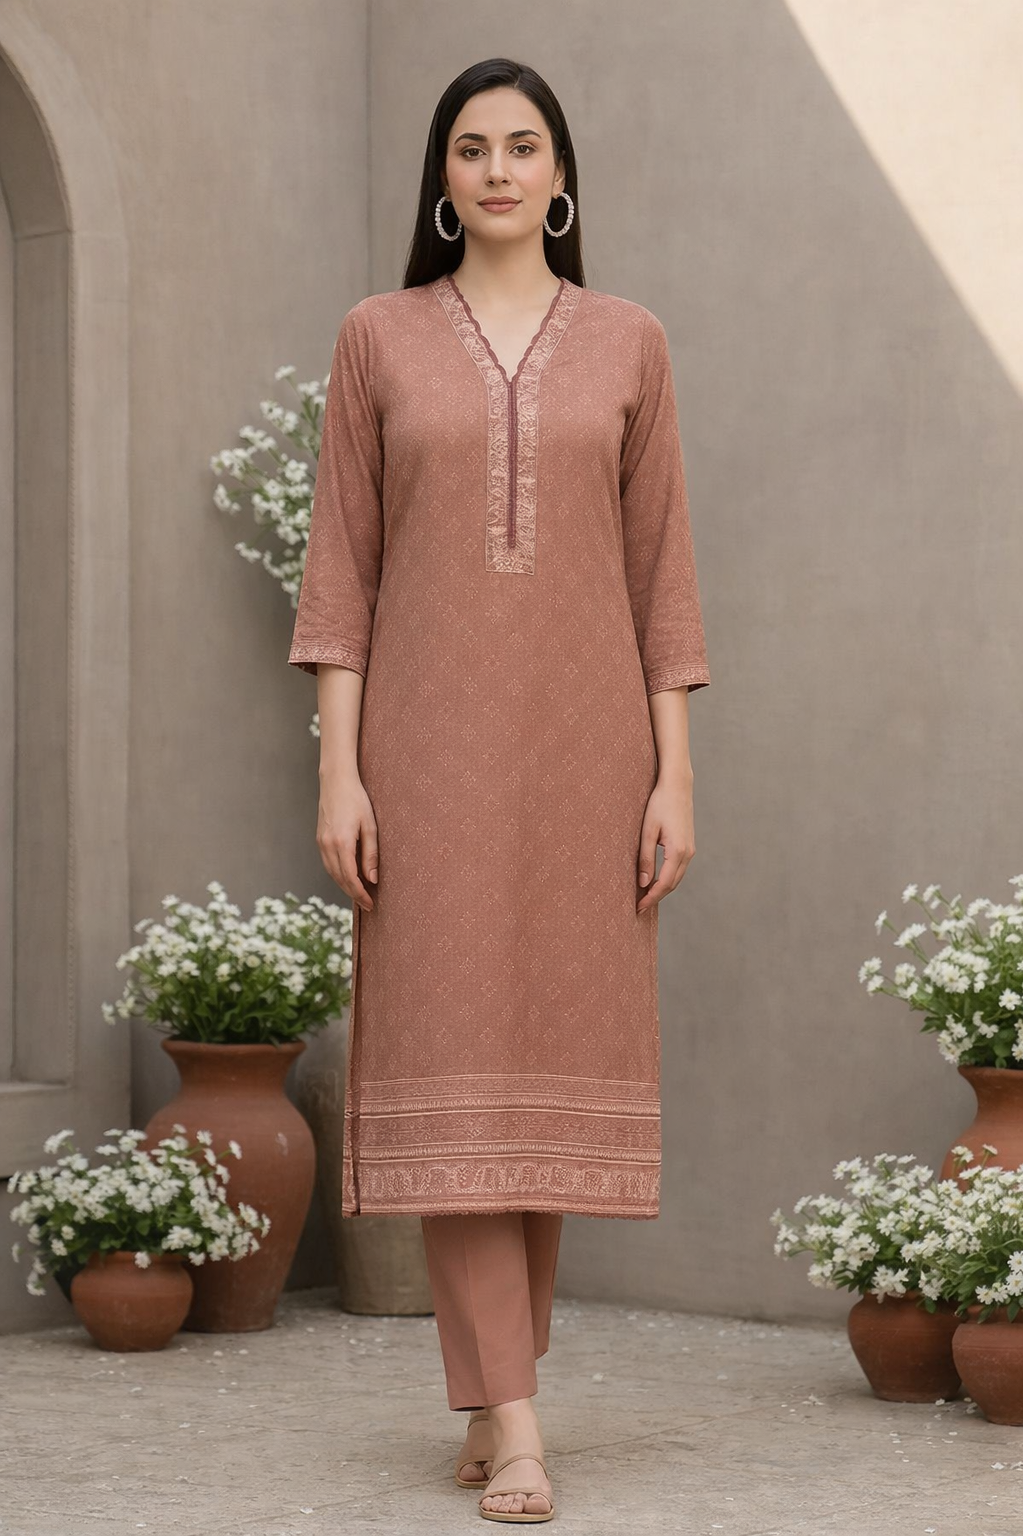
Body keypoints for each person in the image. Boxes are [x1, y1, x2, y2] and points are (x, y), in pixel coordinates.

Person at [289, 55, 710, 1526]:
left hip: (590, 752)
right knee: (459, 1056)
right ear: (442, 179)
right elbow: (341, 568)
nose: (499, 169)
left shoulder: (632, 344)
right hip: (426, 751)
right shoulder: (377, 340)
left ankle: (491, 1390)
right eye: (471, 148)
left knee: (534, 1069)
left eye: (523, 145)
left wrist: (675, 774)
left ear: (560, 171)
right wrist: (340, 769)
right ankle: (519, 1421)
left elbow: (664, 576)